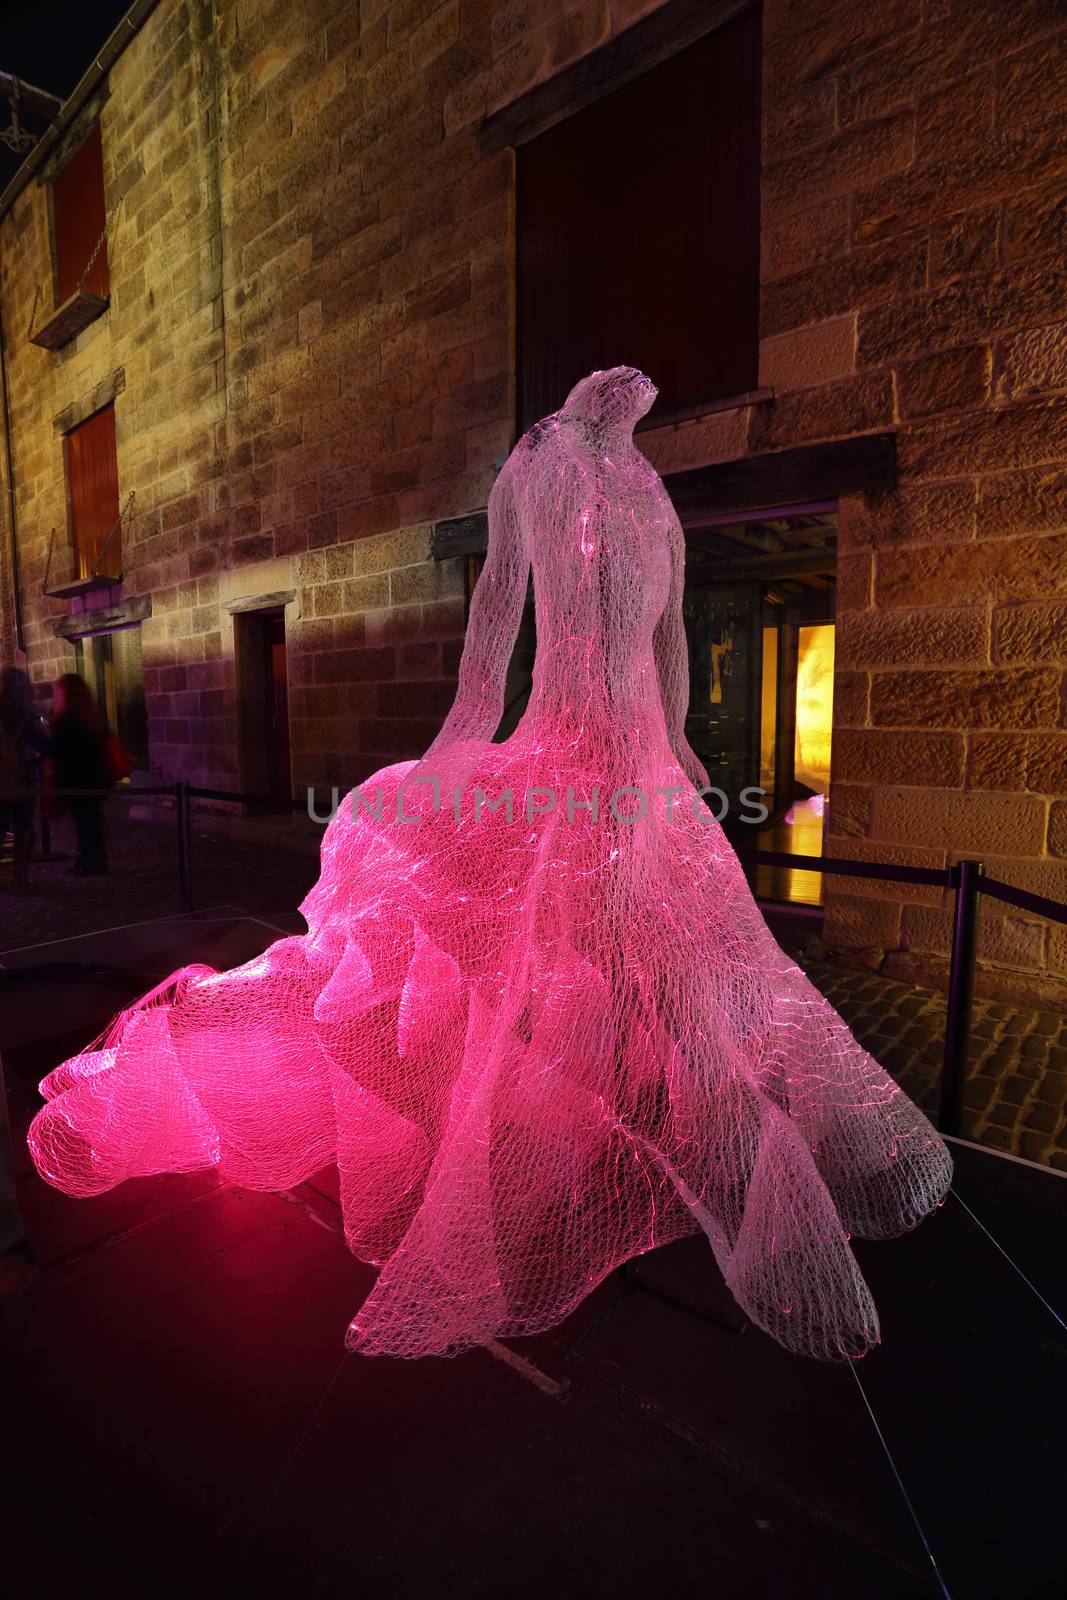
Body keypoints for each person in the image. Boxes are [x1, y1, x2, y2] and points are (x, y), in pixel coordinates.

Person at [27, 369, 952, 1362]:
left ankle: (681, 1141)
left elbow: (669, 630)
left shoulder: (644, 484)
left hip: (637, 767)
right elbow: (497, 610)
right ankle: (608, 1147)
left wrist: (678, 752)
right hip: (566, 745)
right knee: (550, 948)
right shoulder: (541, 460)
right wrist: (457, 747)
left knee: (672, 958)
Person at [50, 673, 111, 876]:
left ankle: (91, 862)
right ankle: (91, 860)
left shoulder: (66, 721)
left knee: (85, 823)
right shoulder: (91, 718)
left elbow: (57, 750)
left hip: (76, 781)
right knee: (91, 821)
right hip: (93, 779)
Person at [0, 666, 49, 888]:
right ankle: (20, 875)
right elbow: (43, 746)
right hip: (24, 777)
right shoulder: (26, 716)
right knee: (22, 827)